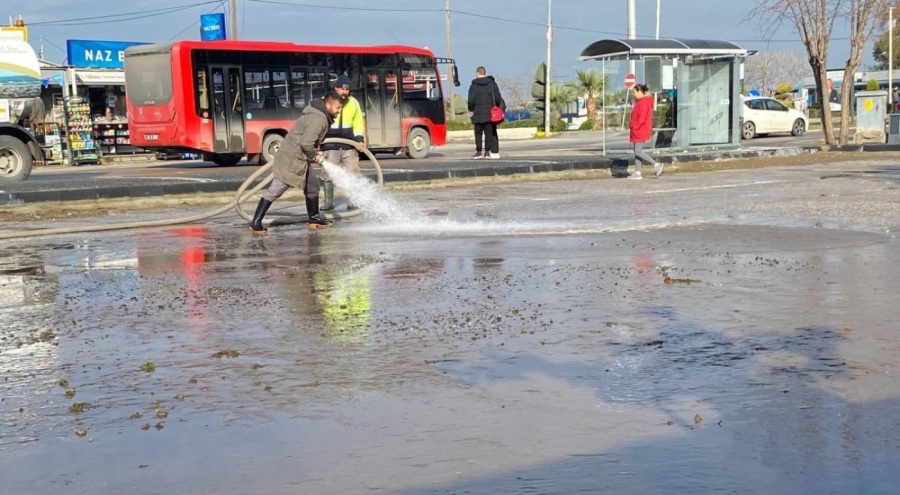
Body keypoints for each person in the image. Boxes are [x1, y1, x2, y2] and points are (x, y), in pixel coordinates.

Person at [249, 91, 343, 233]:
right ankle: (256, 222)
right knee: (276, 189)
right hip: (292, 159)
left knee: (312, 185)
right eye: (337, 108)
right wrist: (317, 157)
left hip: (299, 158)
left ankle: (314, 219)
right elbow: (306, 144)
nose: (338, 111)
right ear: (328, 105)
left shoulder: (319, 115)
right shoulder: (318, 119)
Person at [321, 75, 366, 211]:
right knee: (328, 173)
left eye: (347, 89)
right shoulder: (327, 101)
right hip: (330, 143)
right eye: (342, 88)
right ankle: (328, 202)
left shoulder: (354, 103)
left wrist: (359, 139)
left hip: (349, 144)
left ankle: (353, 201)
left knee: (353, 172)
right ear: (336, 88)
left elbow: (358, 122)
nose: (345, 91)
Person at [467, 66, 505, 159]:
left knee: (478, 133)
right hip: (489, 113)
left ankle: (479, 152)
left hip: (477, 113)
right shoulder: (492, 84)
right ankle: (487, 152)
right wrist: (495, 105)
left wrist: (471, 109)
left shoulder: (473, 85)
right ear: (484, 73)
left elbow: (471, 100)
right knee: (489, 132)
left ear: (477, 73)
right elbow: (498, 97)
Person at [628, 83, 662, 180]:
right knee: (636, 151)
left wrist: (634, 126)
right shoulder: (642, 101)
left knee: (638, 151)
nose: (634, 94)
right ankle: (638, 172)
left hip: (640, 130)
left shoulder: (643, 103)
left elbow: (641, 119)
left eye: (635, 92)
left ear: (640, 91)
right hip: (639, 130)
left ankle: (656, 164)